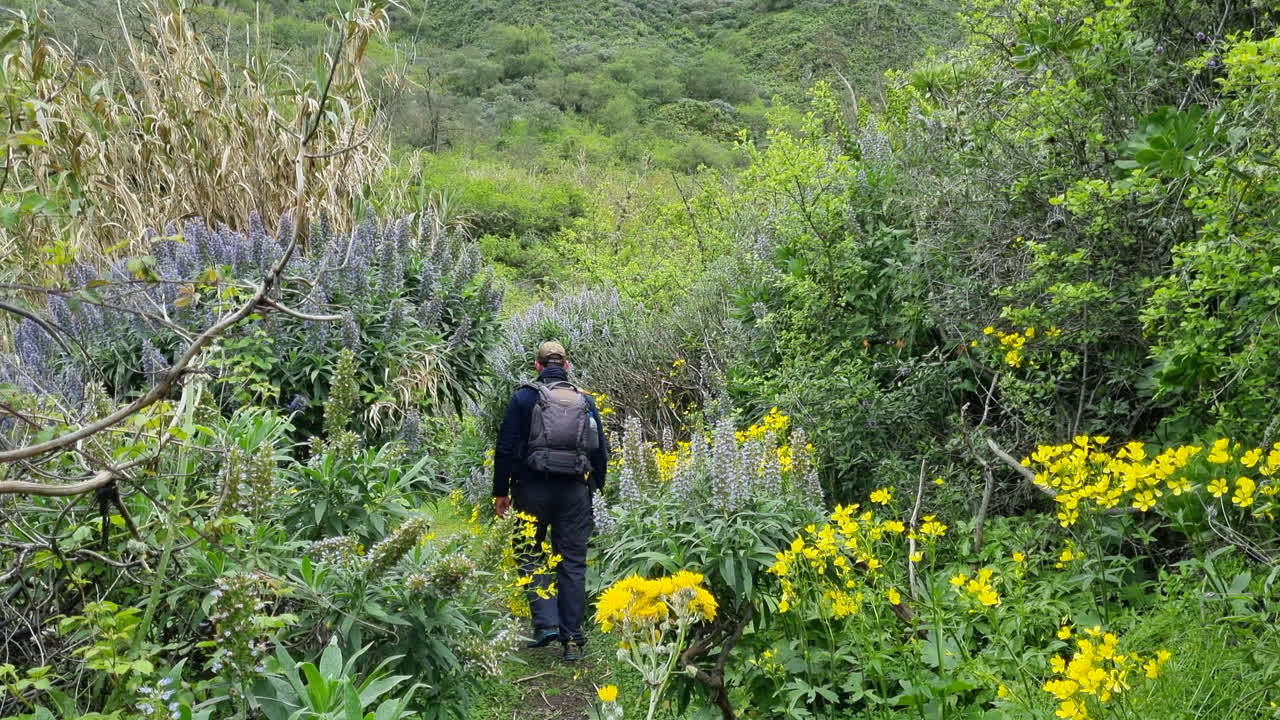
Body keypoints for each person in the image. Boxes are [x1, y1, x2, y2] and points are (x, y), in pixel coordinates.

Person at [493, 341, 608, 662]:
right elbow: (600, 451)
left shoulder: (524, 397)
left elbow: (505, 447)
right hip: (574, 491)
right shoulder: (584, 401)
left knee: (528, 550)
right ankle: (572, 640)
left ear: (538, 366)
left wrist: (501, 492)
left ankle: (546, 623)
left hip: (532, 489)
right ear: (566, 365)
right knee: (572, 562)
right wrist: (595, 490)